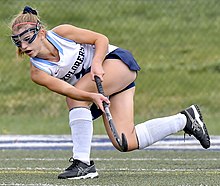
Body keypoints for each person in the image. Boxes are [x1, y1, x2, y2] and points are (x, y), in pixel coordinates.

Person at [10, 6, 210, 180]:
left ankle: (82, 163)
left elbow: (100, 39)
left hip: (117, 66)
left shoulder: (62, 33)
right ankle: (186, 120)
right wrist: (91, 97)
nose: (24, 47)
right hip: (101, 89)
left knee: (75, 96)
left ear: (42, 33)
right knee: (125, 142)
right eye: (18, 43)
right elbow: (67, 89)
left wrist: (97, 63)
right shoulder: (37, 71)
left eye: (28, 39)